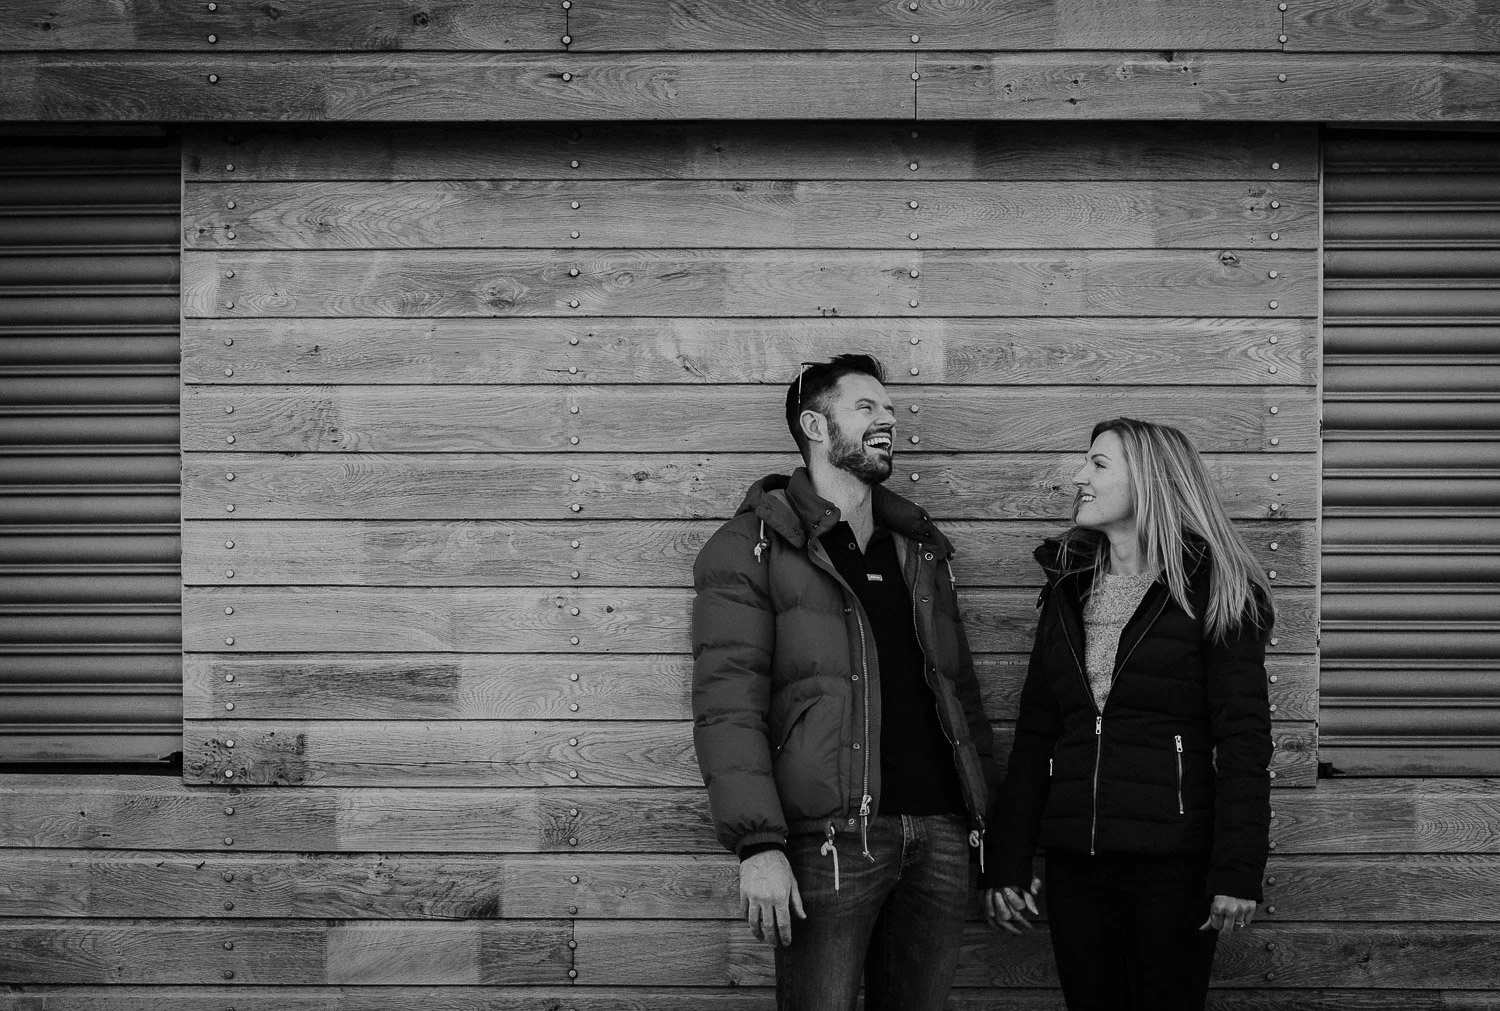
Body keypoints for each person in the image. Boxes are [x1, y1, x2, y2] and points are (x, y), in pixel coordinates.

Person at [690, 354, 998, 1010]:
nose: (888, 419)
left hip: (942, 838)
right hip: (829, 843)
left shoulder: (918, 548)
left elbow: (960, 696)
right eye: (867, 407)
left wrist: (986, 826)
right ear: (815, 425)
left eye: (890, 409)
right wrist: (757, 843)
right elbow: (728, 704)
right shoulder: (752, 546)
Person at [982, 417, 1274, 1011]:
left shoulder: (1214, 589)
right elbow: (1037, 735)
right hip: (1075, 865)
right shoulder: (1068, 589)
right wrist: (1007, 859)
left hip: (1173, 866)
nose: (1078, 477)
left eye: (1097, 464)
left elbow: (1244, 739)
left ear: (1148, 481)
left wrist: (1236, 870)